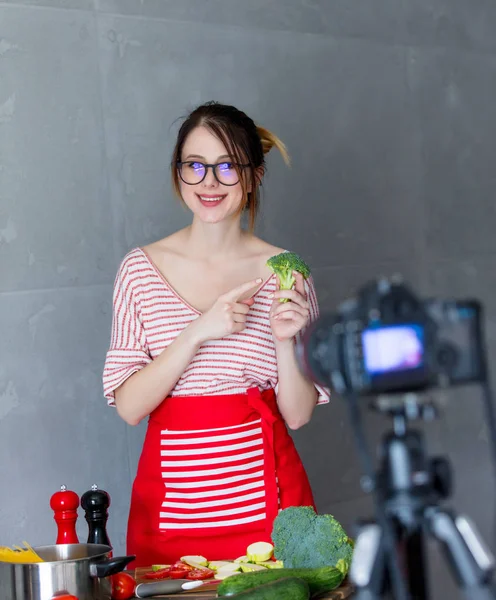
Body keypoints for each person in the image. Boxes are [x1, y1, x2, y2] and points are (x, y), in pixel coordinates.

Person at [103, 101, 330, 568]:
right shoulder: (140, 271)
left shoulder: (286, 274)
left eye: (228, 166)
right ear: (178, 172)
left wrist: (285, 340)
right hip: (174, 510)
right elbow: (129, 407)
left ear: (256, 175)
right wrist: (198, 332)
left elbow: (300, 414)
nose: (209, 182)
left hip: (269, 507)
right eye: (195, 165)